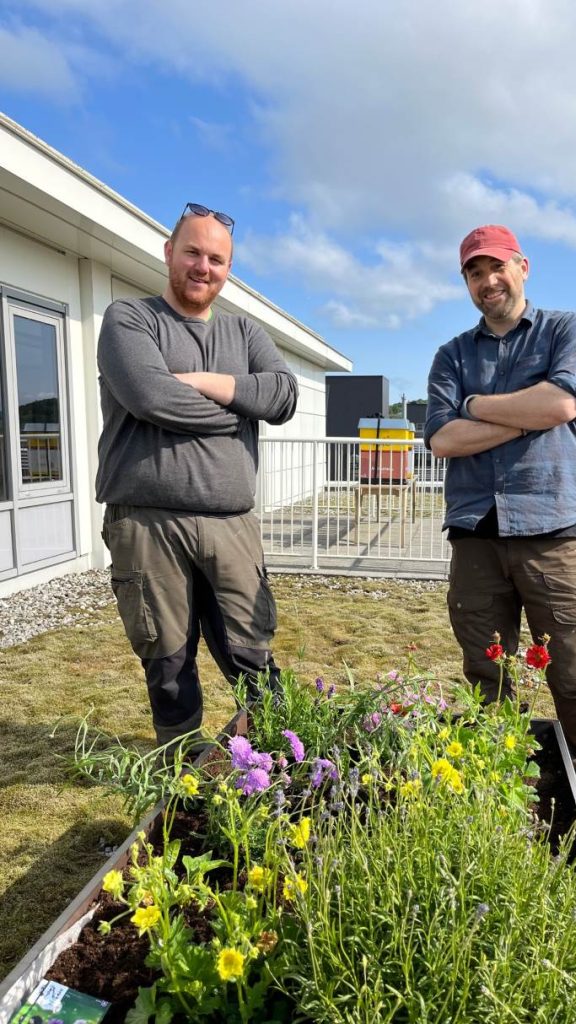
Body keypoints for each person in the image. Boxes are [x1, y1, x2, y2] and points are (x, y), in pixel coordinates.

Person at [424, 224, 576, 873]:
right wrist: (528, 410)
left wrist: (482, 406)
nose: (487, 281)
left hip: (553, 528)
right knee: (486, 673)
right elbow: (442, 441)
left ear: (522, 266)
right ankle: (496, 783)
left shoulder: (567, 330)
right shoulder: (450, 355)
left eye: (496, 267)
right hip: (476, 533)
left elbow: (564, 402)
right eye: (472, 272)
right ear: (466, 282)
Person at [96, 202, 298, 749]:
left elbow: (282, 397)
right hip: (148, 525)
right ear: (169, 252)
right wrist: (239, 403)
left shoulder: (246, 332)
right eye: (193, 252)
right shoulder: (129, 319)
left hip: (231, 525)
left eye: (217, 258)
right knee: (168, 656)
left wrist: (200, 382)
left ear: (228, 268)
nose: (203, 267)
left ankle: (279, 760)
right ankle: (180, 771)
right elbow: (149, 396)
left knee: (250, 649)